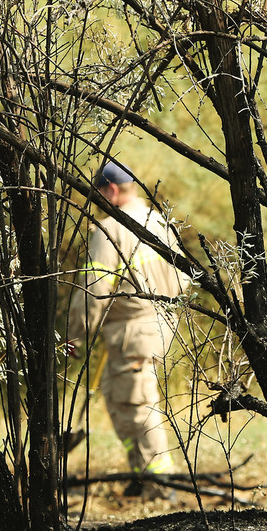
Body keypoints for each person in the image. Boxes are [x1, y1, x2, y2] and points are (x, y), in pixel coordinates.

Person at [66, 161, 184, 495]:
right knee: (123, 399)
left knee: (136, 404)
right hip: (159, 326)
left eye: (99, 194)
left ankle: (160, 484)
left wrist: (76, 335)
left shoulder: (111, 229)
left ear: (112, 190)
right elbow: (183, 276)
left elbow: (94, 289)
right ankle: (141, 475)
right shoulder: (159, 222)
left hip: (131, 331)